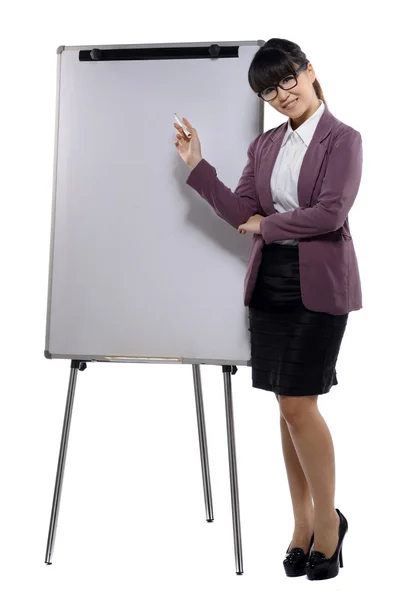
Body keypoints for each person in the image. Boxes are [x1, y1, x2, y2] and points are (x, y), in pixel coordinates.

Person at [173, 38, 363, 580]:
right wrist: (198, 164)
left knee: (301, 406)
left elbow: (330, 214)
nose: (281, 95)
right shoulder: (264, 146)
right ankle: (301, 522)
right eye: (268, 90)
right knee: (286, 407)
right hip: (271, 284)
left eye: (287, 80)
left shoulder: (343, 140)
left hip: (319, 285)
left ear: (308, 72)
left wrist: (267, 225)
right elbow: (241, 211)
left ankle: (328, 523)